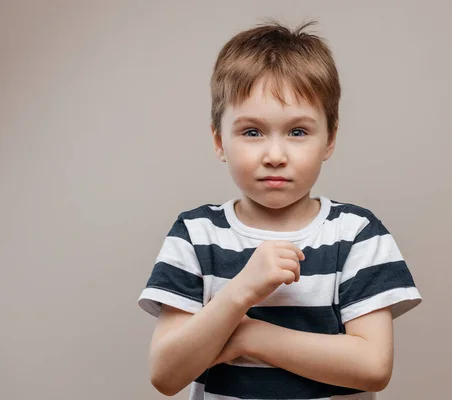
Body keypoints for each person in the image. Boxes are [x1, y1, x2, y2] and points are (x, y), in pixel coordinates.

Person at [137, 19, 423, 400]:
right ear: (219, 141)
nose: (275, 156)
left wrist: (251, 336)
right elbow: (166, 375)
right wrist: (240, 291)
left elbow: (372, 367)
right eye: (252, 132)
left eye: (298, 132)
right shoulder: (195, 234)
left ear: (330, 139)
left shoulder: (356, 233)